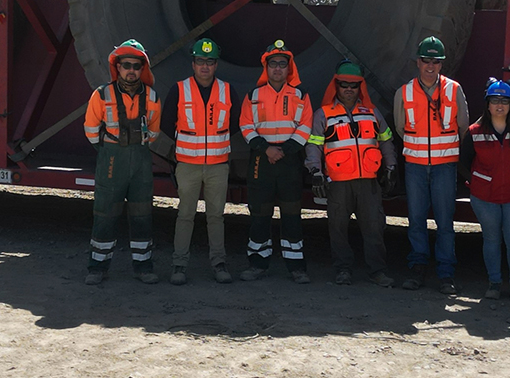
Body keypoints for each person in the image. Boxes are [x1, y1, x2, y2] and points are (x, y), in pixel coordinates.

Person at [306, 60, 397, 287]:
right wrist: (315, 171)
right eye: (344, 84)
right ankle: (343, 270)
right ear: (336, 86)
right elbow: (313, 146)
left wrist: (391, 167)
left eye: (354, 85)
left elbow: (386, 140)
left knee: (374, 227)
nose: (349, 89)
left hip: (368, 183)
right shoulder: (323, 114)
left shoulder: (372, 112)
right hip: (337, 183)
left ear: (360, 88)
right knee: (337, 229)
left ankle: (377, 271)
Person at [158, 38, 238, 286]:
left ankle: (219, 263)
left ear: (216, 65)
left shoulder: (227, 90)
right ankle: (179, 265)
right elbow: (166, 123)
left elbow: (235, 124)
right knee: (185, 215)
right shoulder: (179, 89)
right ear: (193, 64)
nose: (205, 66)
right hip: (188, 165)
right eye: (201, 61)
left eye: (210, 62)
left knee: (216, 216)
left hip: (217, 165)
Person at [82, 39, 162, 286]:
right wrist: (109, 150)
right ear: (117, 67)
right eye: (125, 65)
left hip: (140, 161)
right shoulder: (101, 95)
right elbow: (91, 130)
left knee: (142, 214)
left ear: (142, 69)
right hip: (112, 160)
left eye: (136, 66)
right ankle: (97, 267)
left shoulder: (152, 97)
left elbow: (154, 132)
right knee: (105, 213)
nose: (131, 70)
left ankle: (143, 267)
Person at [394, 35, 470, 294]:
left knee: (445, 222)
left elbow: (462, 127)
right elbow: (400, 127)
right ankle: (417, 268)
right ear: (418, 61)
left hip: (444, 167)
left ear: (441, 64)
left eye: (436, 61)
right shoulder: (403, 92)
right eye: (426, 60)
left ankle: (446, 273)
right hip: (415, 166)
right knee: (415, 220)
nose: (430, 66)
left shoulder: (453, 89)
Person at [239, 40, 314, 284]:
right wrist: (266, 149)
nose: (278, 69)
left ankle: (296, 268)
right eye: (273, 64)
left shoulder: (301, 95)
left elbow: (306, 126)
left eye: (283, 64)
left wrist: (286, 149)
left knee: (292, 214)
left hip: (289, 162)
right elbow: (245, 126)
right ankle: (258, 265)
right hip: (262, 161)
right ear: (266, 67)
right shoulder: (253, 95)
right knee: (260, 214)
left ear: (289, 68)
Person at [462, 79, 510, 301]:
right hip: (485, 198)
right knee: (491, 240)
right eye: (495, 101)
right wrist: (477, 184)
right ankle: (494, 284)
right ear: (487, 104)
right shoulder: (474, 132)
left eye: (504, 101)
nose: (499, 105)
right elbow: (463, 163)